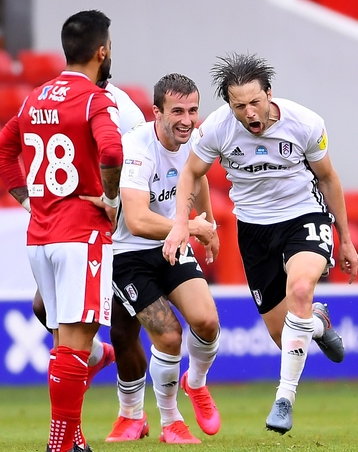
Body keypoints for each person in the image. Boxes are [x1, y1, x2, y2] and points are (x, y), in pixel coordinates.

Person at [163, 52, 358, 434]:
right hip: (253, 230)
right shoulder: (217, 129)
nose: (250, 113)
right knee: (282, 334)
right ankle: (316, 324)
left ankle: (284, 399)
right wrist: (180, 222)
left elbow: (329, 179)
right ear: (229, 105)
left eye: (256, 102)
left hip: (304, 217)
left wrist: (346, 239)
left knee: (301, 288)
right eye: (240, 106)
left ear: (270, 94)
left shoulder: (305, 123)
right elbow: (190, 173)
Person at [0, 10, 123, 452]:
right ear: (102, 51)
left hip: (40, 236)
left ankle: (73, 439)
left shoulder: (35, 98)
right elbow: (112, 150)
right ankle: (60, 444)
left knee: (68, 341)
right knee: (75, 344)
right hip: (81, 235)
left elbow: (0, 153)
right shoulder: (93, 99)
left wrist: (30, 200)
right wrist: (111, 198)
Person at [106, 73, 222, 444]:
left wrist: (209, 222)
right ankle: (171, 422)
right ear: (156, 112)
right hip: (129, 256)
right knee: (169, 337)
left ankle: (196, 383)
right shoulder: (137, 148)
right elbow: (137, 220)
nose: (187, 119)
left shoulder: (194, 140)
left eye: (192, 110)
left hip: (174, 243)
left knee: (207, 322)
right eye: (177, 111)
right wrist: (191, 227)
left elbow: (198, 175)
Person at [30, 80, 147, 389]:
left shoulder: (125, 111)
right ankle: (95, 356)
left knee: (122, 330)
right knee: (43, 308)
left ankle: (136, 415)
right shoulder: (59, 100)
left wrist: (113, 201)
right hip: (76, 227)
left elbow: (137, 166)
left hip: (120, 232)